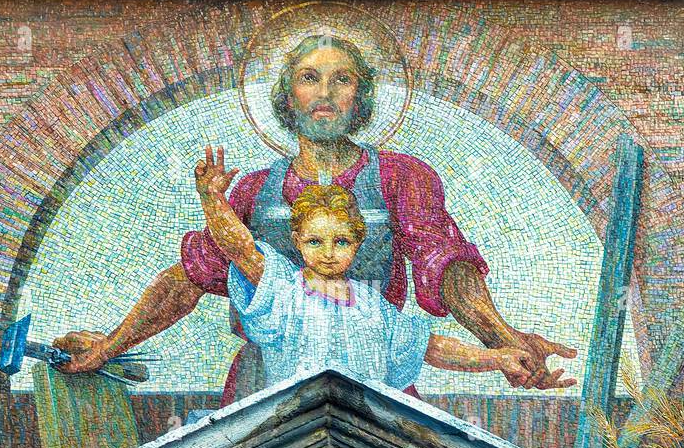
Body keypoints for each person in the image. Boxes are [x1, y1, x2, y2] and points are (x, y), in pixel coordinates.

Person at [56, 32, 576, 403]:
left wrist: (505, 343)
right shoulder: (255, 190)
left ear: (361, 95)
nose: (324, 93)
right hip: (266, 386)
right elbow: (189, 280)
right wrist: (108, 348)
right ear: (289, 96)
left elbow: (447, 268)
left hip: (375, 372)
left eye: (341, 79)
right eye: (309, 78)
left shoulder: (401, 177)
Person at [193, 151, 533, 392]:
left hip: (359, 426)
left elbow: (428, 347)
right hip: (296, 424)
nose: (327, 253)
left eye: (340, 241)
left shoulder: (372, 304)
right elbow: (239, 246)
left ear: (357, 243)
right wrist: (212, 200)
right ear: (297, 241)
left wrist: (496, 357)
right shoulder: (282, 286)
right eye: (314, 241)